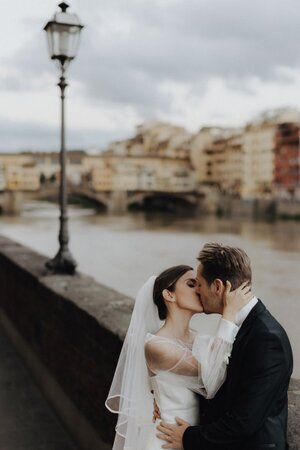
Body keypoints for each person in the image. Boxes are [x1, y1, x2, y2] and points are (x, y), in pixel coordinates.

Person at [156, 243, 293, 450]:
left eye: (199, 284)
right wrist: (160, 398)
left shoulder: (266, 338)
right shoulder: (237, 328)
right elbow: (216, 387)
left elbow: (244, 420)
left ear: (218, 287)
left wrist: (188, 438)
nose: (198, 291)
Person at [106, 263, 251, 450]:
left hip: (191, 439)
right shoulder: (156, 346)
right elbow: (213, 378)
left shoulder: (198, 337)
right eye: (191, 284)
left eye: (199, 284)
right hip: (166, 441)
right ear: (169, 295)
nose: (199, 290)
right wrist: (229, 313)